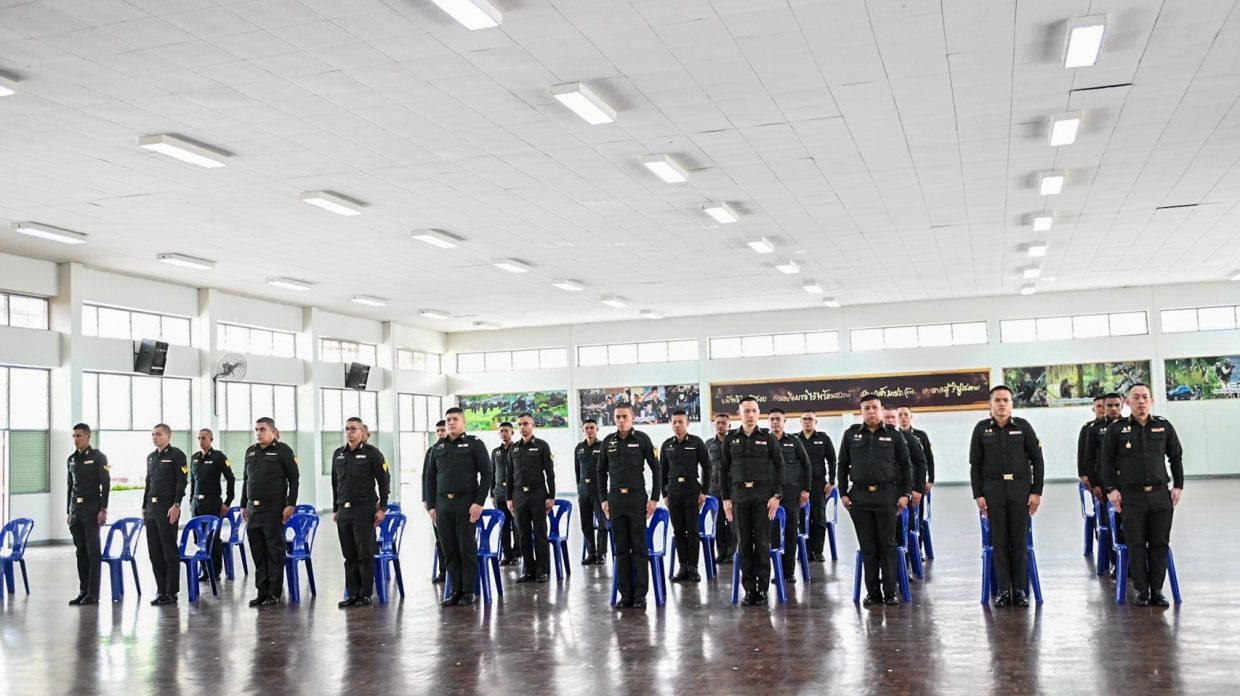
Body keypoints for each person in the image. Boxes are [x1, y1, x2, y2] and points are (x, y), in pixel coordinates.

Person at [1102, 384, 1184, 607]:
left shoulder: (1163, 426)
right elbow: (1106, 461)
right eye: (1136, 397)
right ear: (1127, 402)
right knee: (1135, 543)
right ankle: (1141, 590)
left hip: (1160, 495)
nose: (1141, 401)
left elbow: (1176, 457)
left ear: (1151, 400)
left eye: (1145, 397)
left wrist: (1178, 486)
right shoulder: (1117, 429)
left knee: (1160, 543)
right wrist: (1111, 490)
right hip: (1131, 496)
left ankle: (1157, 589)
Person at [969, 386, 1044, 608]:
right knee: (999, 542)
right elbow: (975, 465)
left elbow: (1037, 460)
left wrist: (1036, 491)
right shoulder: (981, 429)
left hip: (1020, 489)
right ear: (990, 404)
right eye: (997, 400)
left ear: (1012, 404)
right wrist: (978, 495)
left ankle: (1019, 590)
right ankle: (1003, 590)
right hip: (993, 490)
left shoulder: (1023, 427)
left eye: (1006, 400)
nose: (1002, 404)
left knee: (1019, 541)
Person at [840, 396, 912, 605]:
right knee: (868, 547)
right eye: (866, 408)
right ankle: (873, 592)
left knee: (887, 545)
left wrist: (905, 494)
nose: (871, 411)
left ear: (881, 410)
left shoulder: (894, 435)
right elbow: (842, 464)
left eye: (875, 407)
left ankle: (889, 591)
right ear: (861, 411)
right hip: (860, 498)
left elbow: (906, 466)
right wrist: (843, 492)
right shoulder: (851, 435)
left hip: (886, 496)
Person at [720, 397, 784, 606]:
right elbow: (722, 470)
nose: (750, 415)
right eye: (746, 411)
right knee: (745, 546)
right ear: (739, 413)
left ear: (759, 413)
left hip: (762, 499)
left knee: (763, 545)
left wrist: (777, 495)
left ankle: (763, 590)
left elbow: (780, 466)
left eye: (754, 411)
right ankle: (749, 590)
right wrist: (726, 498)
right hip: (739, 498)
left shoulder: (767, 437)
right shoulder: (730, 439)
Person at [426, 407, 492, 607]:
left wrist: (479, 502)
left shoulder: (474, 444)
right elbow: (430, 477)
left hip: (466, 503)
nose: (451, 423)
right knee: (449, 549)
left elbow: (487, 473)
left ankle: (469, 591)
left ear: (464, 422)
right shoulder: (437, 447)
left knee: (466, 548)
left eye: (455, 419)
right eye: (448, 420)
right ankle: (456, 590)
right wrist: (431, 506)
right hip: (443, 504)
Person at [598, 402, 660, 609]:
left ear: (632, 417)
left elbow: (656, 468)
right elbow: (600, 472)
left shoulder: (642, 439)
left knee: (639, 548)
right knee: (621, 549)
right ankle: (625, 594)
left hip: (636, 499)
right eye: (617, 417)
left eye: (625, 416)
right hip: (616, 500)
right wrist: (603, 499)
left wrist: (654, 498)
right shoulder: (608, 442)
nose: (621, 420)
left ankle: (640, 595)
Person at [240, 416, 299, 607]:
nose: (258, 433)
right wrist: (243, 505)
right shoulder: (251, 452)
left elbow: (294, 479)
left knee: (274, 551)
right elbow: (246, 480)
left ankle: (274, 592)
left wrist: (291, 504)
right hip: (253, 509)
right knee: (258, 552)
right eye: (256, 429)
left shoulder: (283, 451)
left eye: (262, 429)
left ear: (273, 432)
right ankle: (262, 591)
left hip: (274, 509)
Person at [332, 417, 391, 608]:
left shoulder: (372, 453)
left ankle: (365, 594)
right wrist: (335, 509)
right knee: (349, 555)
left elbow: (383, 481)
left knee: (364, 554)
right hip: (344, 510)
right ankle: (352, 594)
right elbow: (335, 484)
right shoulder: (338, 454)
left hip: (364, 509)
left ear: (362, 432)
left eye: (353, 429)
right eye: (347, 429)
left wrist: (382, 508)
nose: (349, 432)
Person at [660, 410, 711, 583]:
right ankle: (683, 566)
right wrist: (664, 494)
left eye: (680, 422)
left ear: (687, 424)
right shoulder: (667, 445)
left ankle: (694, 567)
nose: (677, 425)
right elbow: (662, 471)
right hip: (673, 492)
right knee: (679, 531)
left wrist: (704, 491)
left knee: (693, 530)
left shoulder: (696, 443)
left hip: (691, 491)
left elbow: (707, 466)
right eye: (674, 422)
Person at [505, 412, 555, 583]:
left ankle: (541, 570)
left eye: (525, 424)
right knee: (523, 533)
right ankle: (529, 570)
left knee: (540, 532)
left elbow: (550, 473)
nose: (522, 427)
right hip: (519, 494)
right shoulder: (514, 448)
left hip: (537, 493)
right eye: (519, 424)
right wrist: (509, 498)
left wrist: (551, 496)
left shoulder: (541, 446)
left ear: (533, 425)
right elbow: (509, 475)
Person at [143, 423, 188, 606]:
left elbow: (182, 481)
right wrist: (144, 507)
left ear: (168, 436)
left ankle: (171, 592)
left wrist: (176, 504)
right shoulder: (151, 457)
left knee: (169, 551)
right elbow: (148, 483)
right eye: (153, 434)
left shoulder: (176, 455)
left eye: (159, 434)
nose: (155, 437)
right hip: (151, 508)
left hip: (167, 507)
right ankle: (161, 590)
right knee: (154, 552)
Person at [66, 423, 109, 606]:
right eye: (74, 436)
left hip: (92, 509)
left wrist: (103, 509)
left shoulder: (98, 457)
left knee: (93, 552)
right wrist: (69, 511)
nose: (76, 439)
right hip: (76, 510)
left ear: (88, 437)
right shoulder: (71, 459)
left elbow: (105, 485)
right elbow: (70, 487)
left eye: (79, 436)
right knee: (80, 552)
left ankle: (93, 593)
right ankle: (83, 591)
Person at [767, 409, 809, 583]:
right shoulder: (764, 441)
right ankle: (777, 571)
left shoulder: (794, 442)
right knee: (773, 534)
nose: (775, 422)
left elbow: (807, 466)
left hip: (791, 494)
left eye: (778, 419)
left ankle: (788, 572)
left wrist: (806, 490)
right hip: (770, 496)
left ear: (785, 422)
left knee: (791, 534)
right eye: (772, 419)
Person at [190, 428, 235, 583]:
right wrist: (191, 501)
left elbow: (230, 479)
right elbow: (193, 482)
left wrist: (228, 502)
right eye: (199, 438)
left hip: (212, 502)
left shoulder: (218, 457)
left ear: (211, 440)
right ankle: (205, 570)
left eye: (204, 438)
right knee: (198, 538)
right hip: (197, 503)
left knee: (212, 538)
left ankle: (214, 571)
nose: (201, 441)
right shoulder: (195, 458)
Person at [795, 412, 836, 562]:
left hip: (819, 484)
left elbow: (832, 460)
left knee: (818, 518)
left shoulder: (824, 439)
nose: (807, 421)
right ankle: (805, 551)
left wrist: (831, 481)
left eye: (810, 419)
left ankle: (818, 551)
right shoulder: (795, 439)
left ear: (815, 422)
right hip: (799, 485)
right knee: (801, 519)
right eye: (804, 419)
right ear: (800, 421)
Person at [896, 407, 934, 556]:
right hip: (902, 485)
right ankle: (904, 552)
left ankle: (918, 551)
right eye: (900, 415)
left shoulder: (920, 436)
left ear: (911, 417)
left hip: (917, 483)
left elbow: (928, 459)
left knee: (917, 519)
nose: (903, 417)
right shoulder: (894, 436)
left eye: (906, 415)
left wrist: (930, 480)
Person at [575, 419, 608, 566]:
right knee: (586, 524)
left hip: (598, 489)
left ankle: (601, 554)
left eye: (592, 428)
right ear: (583, 430)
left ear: (597, 429)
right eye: (586, 428)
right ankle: (591, 553)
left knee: (602, 524)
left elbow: (607, 469)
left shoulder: (602, 447)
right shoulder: (579, 448)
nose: (589, 430)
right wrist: (579, 488)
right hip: (583, 489)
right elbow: (577, 470)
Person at [705, 413, 734, 563]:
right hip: (714, 488)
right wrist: (704, 490)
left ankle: (732, 552)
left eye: (723, 423)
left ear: (729, 426)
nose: (720, 425)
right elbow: (705, 468)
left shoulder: (734, 443)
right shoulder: (708, 444)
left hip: (731, 490)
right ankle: (721, 552)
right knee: (717, 522)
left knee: (732, 522)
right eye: (718, 423)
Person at [491, 422, 520, 565]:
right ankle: (506, 554)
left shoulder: (517, 449)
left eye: (506, 431)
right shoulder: (495, 452)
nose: (504, 433)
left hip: (514, 492)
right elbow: (491, 473)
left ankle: (516, 554)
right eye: (501, 431)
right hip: (499, 493)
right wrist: (492, 494)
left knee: (517, 525)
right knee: (503, 526)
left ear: (512, 433)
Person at [422, 420, 448, 582]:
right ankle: (443, 571)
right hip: (437, 500)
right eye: (438, 431)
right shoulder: (432, 451)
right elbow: (426, 477)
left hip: (452, 500)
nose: (440, 433)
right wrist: (426, 499)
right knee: (440, 539)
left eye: (442, 430)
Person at [1077, 397, 1106, 487]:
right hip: (1095, 472)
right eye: (1099, 406)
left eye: (1104, 406)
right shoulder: (1088, 428)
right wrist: (1083, 474)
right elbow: (1081, 452)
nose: (1102, 409)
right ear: (1093, 409)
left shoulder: (1116, 426)